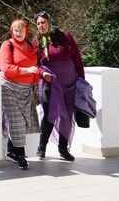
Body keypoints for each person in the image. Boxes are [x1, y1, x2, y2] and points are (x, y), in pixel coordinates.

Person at [34, 11, 84, 161]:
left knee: (67, 115)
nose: (40, 26)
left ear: (50, 22)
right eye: (38, 24)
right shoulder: (37, 42)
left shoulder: (65, 37)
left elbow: (77, 60)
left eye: (43, 22)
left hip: (69, 83)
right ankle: (42, 146)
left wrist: (81, 81)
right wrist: (43, 73)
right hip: (50, 82)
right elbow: (35, 64)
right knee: (50, 112)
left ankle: (63, 148)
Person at [0, 18, 41, 169]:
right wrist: (27, 71)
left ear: (26, 31)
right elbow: (6, 68)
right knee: (16, 121)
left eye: (21, 30)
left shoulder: (30, 47)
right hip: (8, 88)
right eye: (16, 30)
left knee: (23, 122)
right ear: (12, 31)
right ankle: (21, 156)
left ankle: (13, 151)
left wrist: (38, 80)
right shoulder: (7, 45)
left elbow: (35, 66)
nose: (19, 33)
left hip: (26, 90)